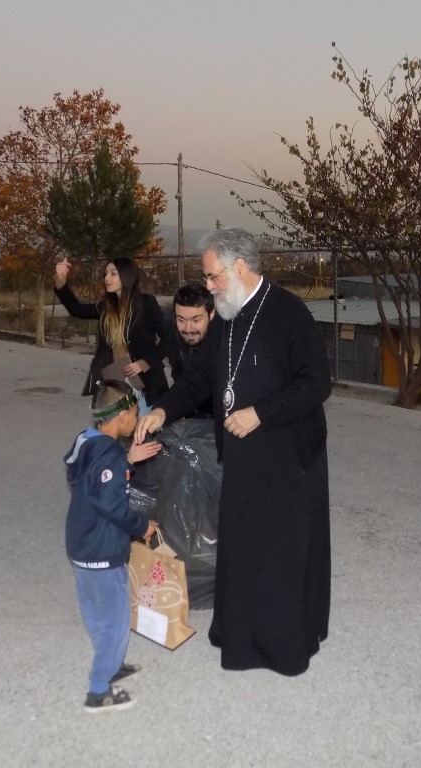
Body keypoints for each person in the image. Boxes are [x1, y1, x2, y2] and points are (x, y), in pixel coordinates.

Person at [134, 228, 332, 676]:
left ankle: (281, 645)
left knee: (278, 551)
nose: (208, 286)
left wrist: (259, 413)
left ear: (239, 267)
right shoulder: (226, 316)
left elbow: (316, 383)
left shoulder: (288, 312)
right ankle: (240, 633)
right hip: (242, 454)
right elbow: (199, 380)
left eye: (213, 276)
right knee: (242, 546)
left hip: (287, 456)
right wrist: (162, 410)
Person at [64, 379, 160, 713]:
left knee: (96, 612)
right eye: (135, 413)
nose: (137, 420)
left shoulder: (87, 440)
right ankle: (99, 690)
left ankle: (113, 664)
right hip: (103, 549)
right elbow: (113, 505)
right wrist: (143, 526)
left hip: (81, 544)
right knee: (116, 621)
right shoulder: (110, 456)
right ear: (122, 416)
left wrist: (126, 462)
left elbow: (95, 482)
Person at [54, 256, 168, 405]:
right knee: (115, 419)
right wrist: (60, 279)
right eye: (106, 274)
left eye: (113, 273)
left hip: (146, 383)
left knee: (146, 418)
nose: (107, 278)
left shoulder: (146, 304)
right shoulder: (106, 307)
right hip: (114, 380)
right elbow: (77, 309)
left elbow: (169, 338)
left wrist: (144, 363)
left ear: (127, 276)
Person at [167, 283, 216, 417]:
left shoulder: (224, 338)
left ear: (211, 314)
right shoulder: (170, 328)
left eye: (196, 320)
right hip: (189, 410)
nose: (188, 329)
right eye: (181, 320)